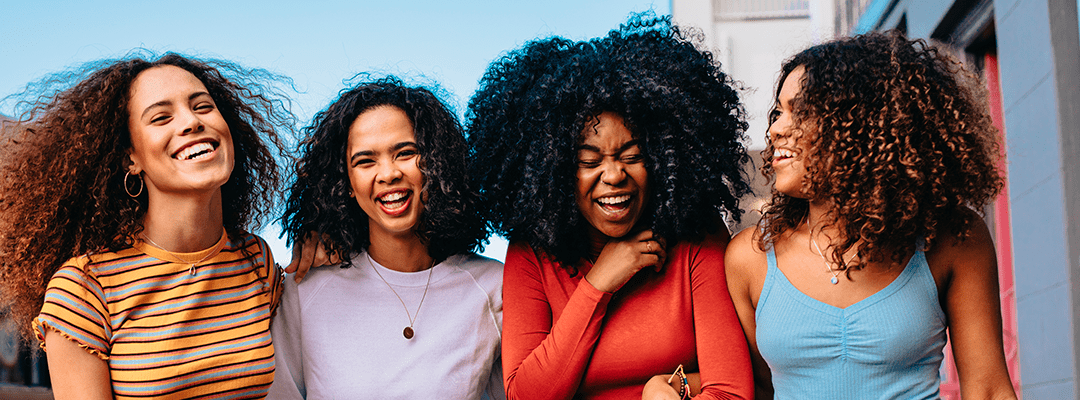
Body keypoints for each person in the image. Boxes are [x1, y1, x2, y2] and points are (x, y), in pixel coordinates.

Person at [466, 15, 754, 400]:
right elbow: (527, 395)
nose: (614, 175)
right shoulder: (531, 253)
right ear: (553, 172)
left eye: (632, 156)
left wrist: (669, 389)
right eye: (589, 162)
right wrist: (598, 284)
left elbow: (732, 392)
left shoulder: (696, 237)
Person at [724, 31, 1018, 399]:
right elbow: (751, 388)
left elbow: (988, 390)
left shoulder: (953, 238)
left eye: (800, 112)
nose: (776, 129)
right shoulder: (749, 259)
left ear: (860, 125)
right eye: (778, 112)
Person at [0, 53, 293, 399]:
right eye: (160, 117)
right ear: (131, 158)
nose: (191, 122)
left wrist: (326, 239)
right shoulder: (85, 287)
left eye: (203, 107)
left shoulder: (254, 260)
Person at [269, 76, 504, 399]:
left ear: (436, 163)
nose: (389, 173)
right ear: (347, 183)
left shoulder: (493, 286)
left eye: (405, 153)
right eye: (365, 161)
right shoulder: (302, 290)